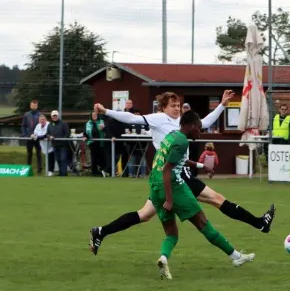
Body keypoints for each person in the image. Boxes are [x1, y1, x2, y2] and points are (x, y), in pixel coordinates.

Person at [89, 90, 275, 255]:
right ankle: (258, 226)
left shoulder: (182, 122)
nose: (177, 108)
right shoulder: (158, 119)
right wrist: (106, 112)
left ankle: (101, 231)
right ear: (163, 107)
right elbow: (132, 119)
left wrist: (222, 105)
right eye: (173, 105)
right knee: (217, 199)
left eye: (178, 105)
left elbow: (205, 122)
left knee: (144, 215)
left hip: (172, 173)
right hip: (174, 174)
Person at [151, 111, 254, 279]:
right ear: (191, 126)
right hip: (173, 187)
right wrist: (169, 199)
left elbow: (174, 160)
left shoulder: (172, 136)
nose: (200, 133)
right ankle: (236, 257)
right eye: (199, 129)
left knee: (171, 234)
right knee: (203, 223)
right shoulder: (183, 141)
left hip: (154, 187)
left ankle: (163, 258)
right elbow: (167, 169)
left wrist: (200, 165)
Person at [82, 111, 108, 177]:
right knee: (94, 158)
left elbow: (107, 130)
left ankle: (103, 171)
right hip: (92, 143)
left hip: (102, 143)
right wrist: (85, 137)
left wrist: (103, 128)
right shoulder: (88, 123)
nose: (94, 116)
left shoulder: (102, 121)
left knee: (103, 158)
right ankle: (94, 172)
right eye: (93, 115)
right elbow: (85, 132)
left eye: (95, 114)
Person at [21, 100, 42, 175]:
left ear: (37, 106)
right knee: (29, 153)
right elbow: (23, 126)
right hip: (29, 138)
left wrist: (39, 134)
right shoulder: (26, 115)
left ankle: (39, 170)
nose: (34, 107)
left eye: (35, 105)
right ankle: (28, 169)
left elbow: (42, 126)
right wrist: (26, 135)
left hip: (38, 138)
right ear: (30, 105)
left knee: (38, 153)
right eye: (32, 105)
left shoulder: (40, 115)